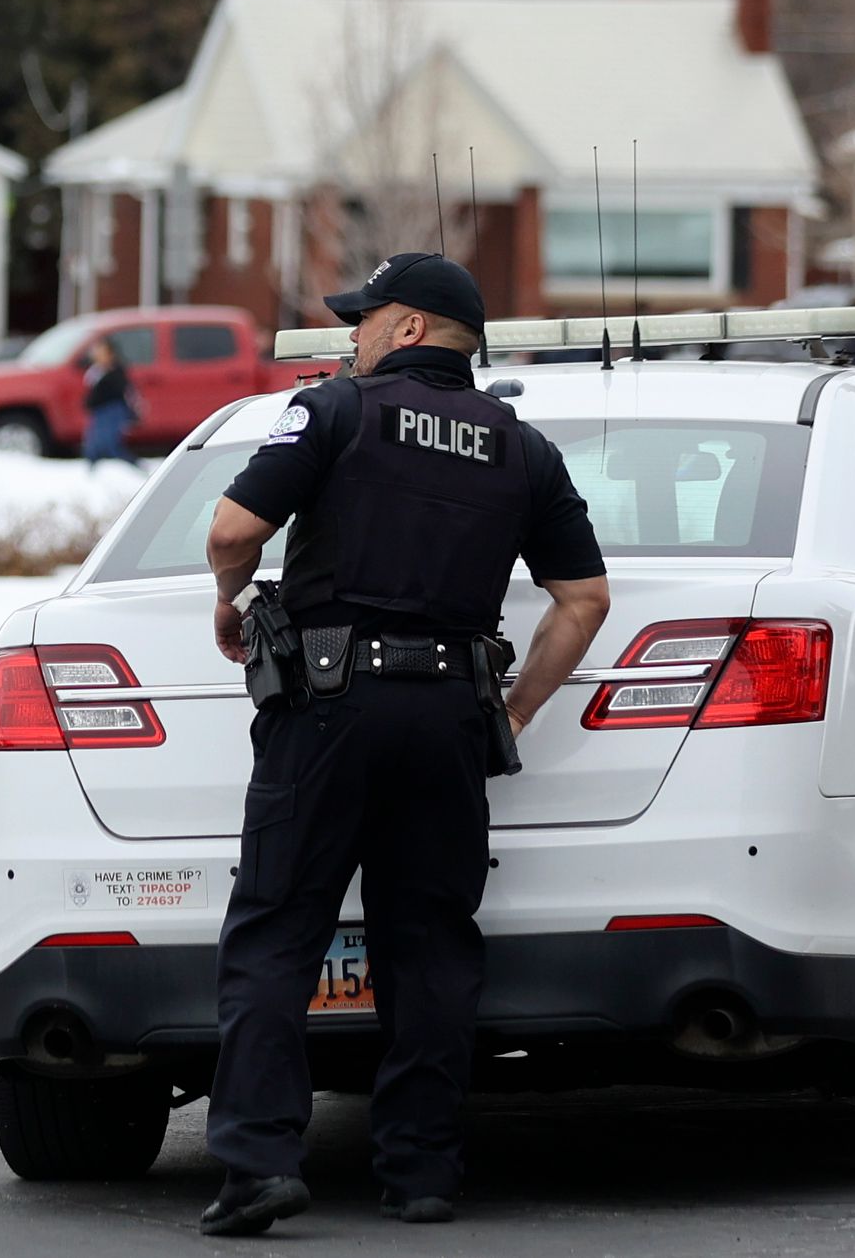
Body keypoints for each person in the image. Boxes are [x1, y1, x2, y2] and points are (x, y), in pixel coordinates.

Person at [196, 253, 611, 1235]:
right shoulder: (524, 448)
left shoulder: (337, 409)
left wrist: (229, 592)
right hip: (448, 718)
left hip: (329, 708)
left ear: (411, 328)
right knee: (428, 943)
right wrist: (508, 714)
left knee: (278, 929)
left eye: (366, 317)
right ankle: (421, 1168)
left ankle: (257, 1160)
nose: (354, 334)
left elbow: (229, 528)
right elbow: (583, 598)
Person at [78, 336, 140, 469]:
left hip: (112, 411)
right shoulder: (95, 371)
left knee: (109, 445)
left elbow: (123, 392)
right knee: (94, 446)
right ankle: (93, 473)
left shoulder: (115, 372)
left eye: (101, 352)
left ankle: (134, 467)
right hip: (99, 412)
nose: (97, 355)